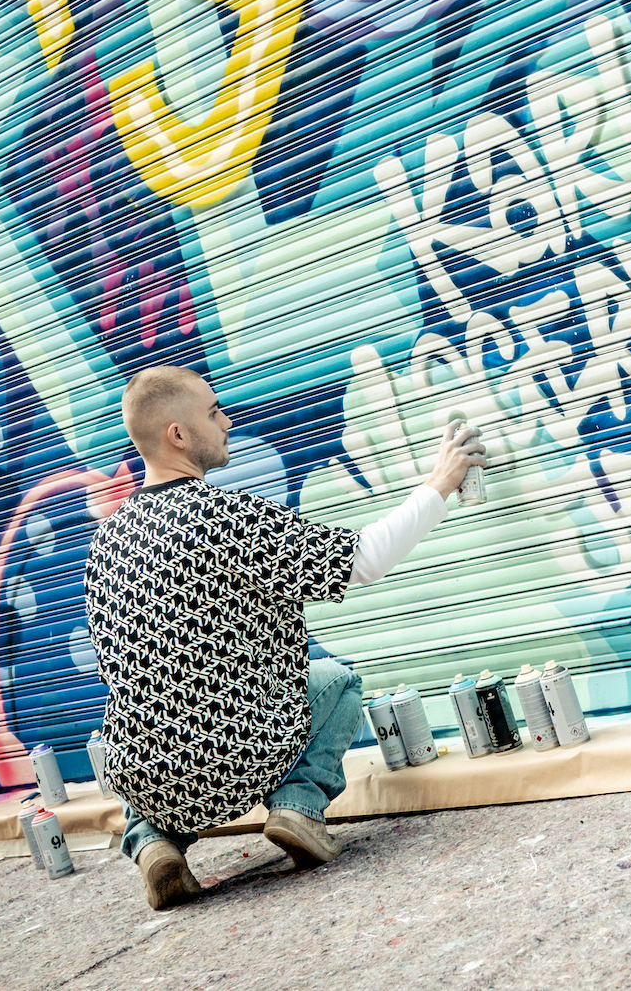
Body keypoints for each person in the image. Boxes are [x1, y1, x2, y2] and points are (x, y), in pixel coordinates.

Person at [84, 365, 483, 910]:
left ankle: (153, 841)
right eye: (213, 413)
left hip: (145, 778)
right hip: (239, 757)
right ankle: (298, 808)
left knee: (140, 719)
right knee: (337, 681)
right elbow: (362, 560)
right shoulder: (226, 516)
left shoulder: (107, 540)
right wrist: (438, 483)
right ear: (177, 434)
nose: (227, 422)